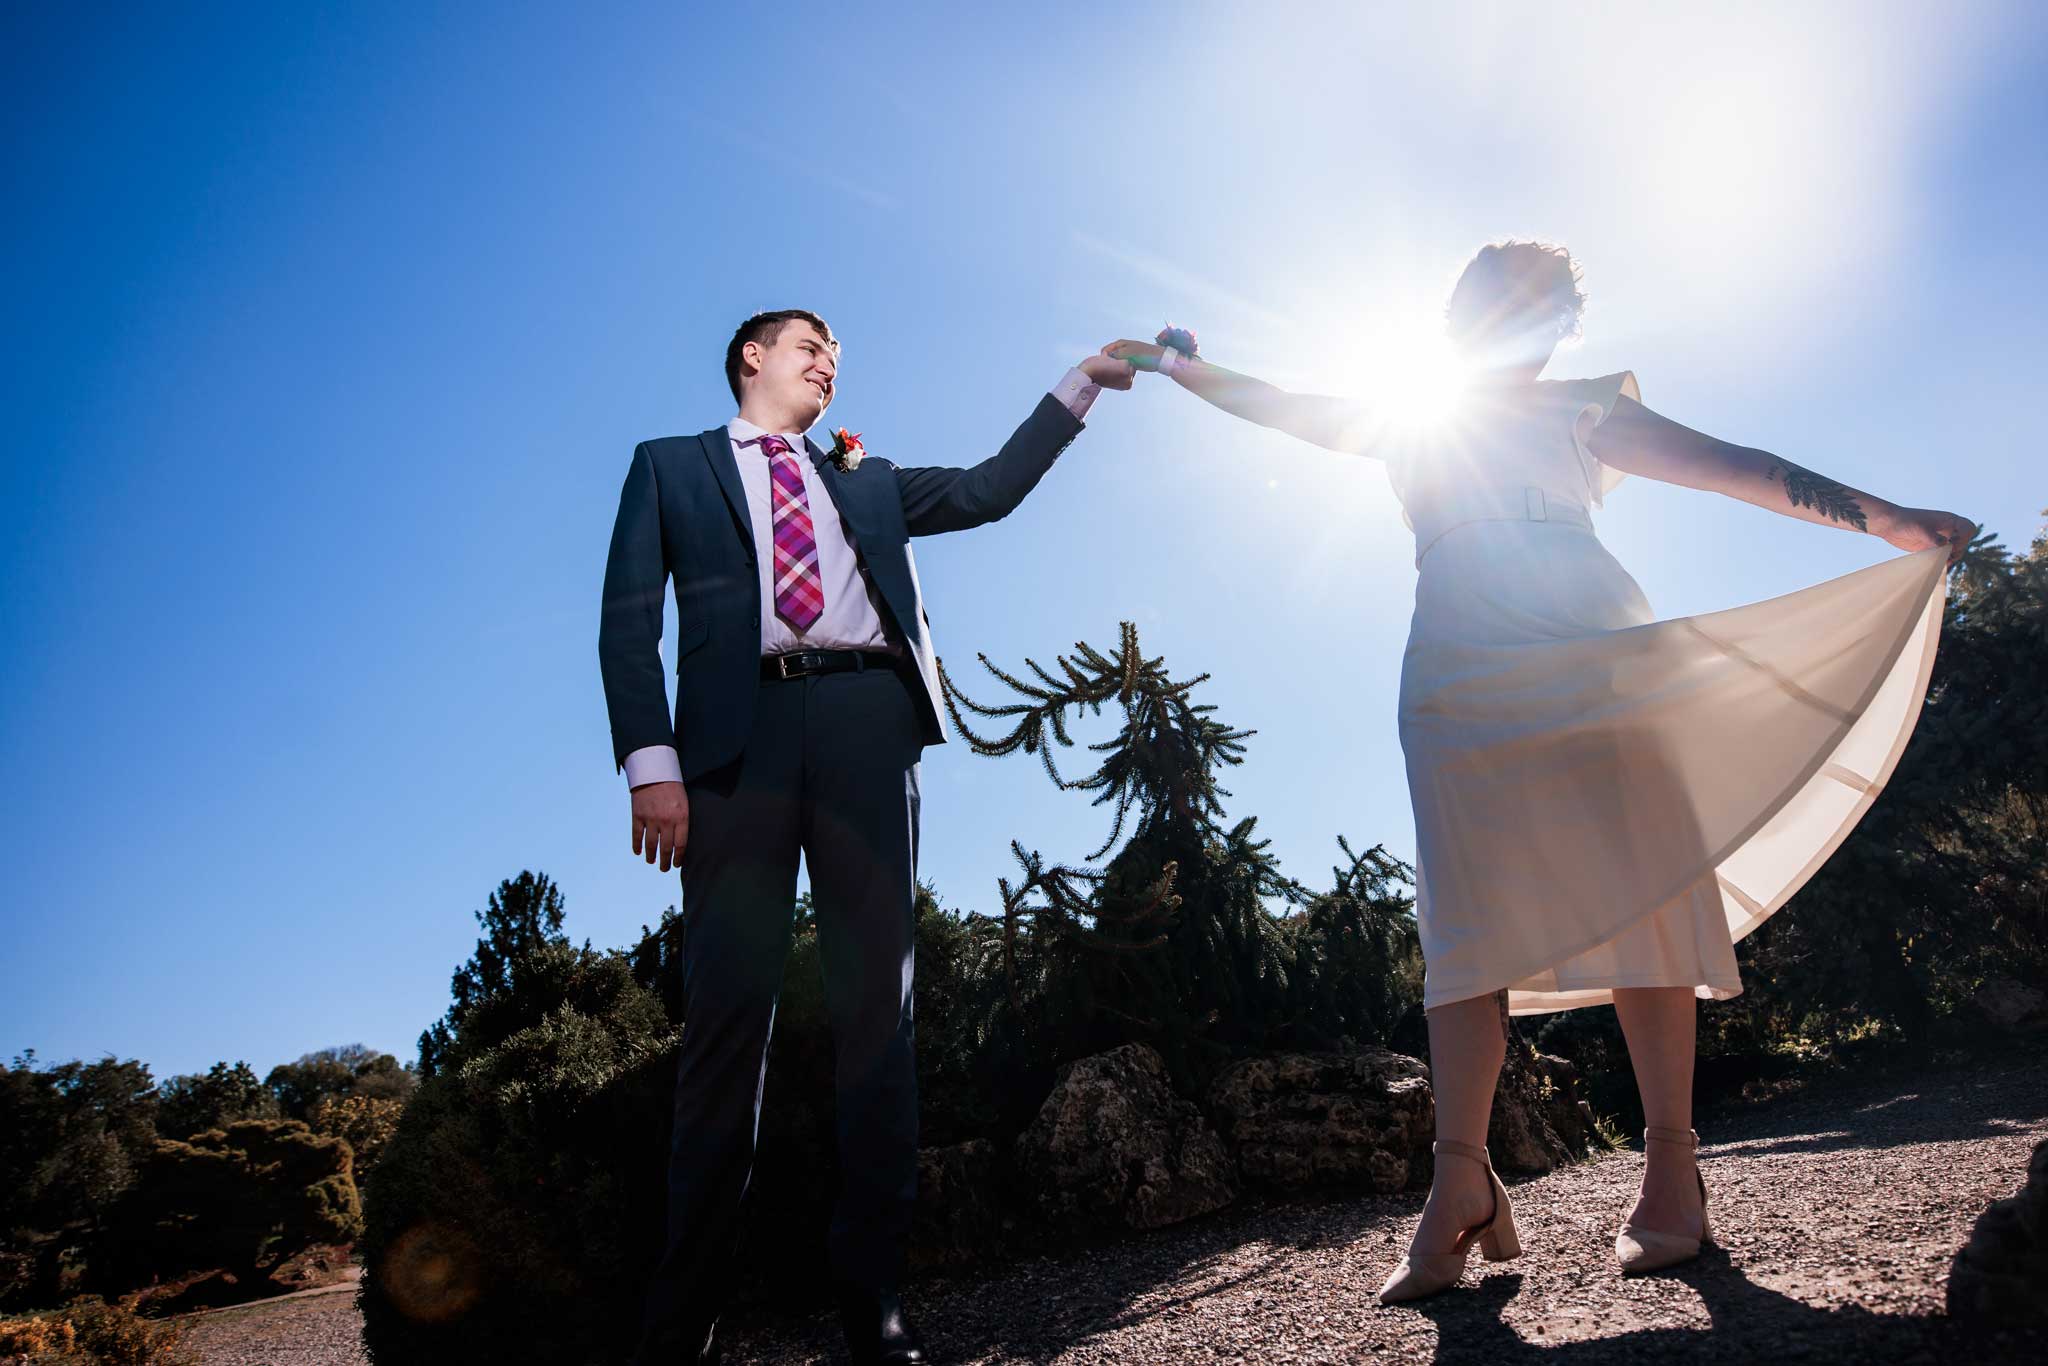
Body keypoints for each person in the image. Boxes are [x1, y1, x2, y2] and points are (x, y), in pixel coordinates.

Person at [1105, 241, 1975, 1302]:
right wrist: (1181, 368)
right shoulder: (1407, 414)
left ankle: (1668, 1163)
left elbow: (1734, 463)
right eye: (1493, 299)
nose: (1513, 318)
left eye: (1538, 306)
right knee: (1463, 922)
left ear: (1557, 327)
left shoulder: (1584, 403)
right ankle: (1457, 1185)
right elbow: (1283, 402)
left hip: (1594, 647)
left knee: (1643, 887)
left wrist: (1882, 517)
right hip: (1456, 669)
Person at [600, 309, 1134, 1363]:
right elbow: (627, 617)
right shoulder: (667, 467)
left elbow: (987, 488)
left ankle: (872, 1298)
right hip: (732, 750)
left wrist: (1079, 382)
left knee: (874, 1018)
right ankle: (681, 1324)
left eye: (838, 355)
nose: (828, 363)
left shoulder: (865, 477)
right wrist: (651, 766)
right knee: (722, 1028)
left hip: (863, 728)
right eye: (810, 345)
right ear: (751, 358)